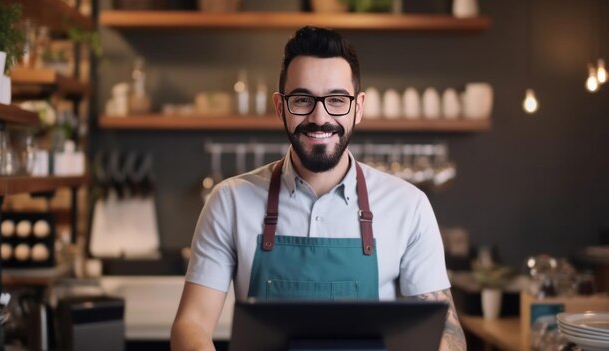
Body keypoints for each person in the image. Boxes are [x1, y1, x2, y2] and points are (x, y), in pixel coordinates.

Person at [171, 26, 466, 351]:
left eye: (337, 99)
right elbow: (192, 325)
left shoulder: (409, 207)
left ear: (359, 107)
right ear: (280, 106)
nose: (319, 116)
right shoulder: (230, 202)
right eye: (302, 99)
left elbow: (447, 334)